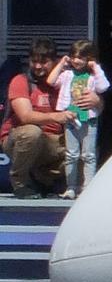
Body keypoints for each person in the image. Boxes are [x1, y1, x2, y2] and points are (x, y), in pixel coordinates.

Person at [3, 38, 70, 199]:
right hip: (20, 138)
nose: (38, 66)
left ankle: (43, 180)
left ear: (54, 61)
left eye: (44, 62)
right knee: (32, 133)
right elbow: (25, 116)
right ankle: (20, 184)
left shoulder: (66, 81)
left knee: (80, 149)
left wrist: (97, 100)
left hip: (52, 141)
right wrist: (56, 116)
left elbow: (89, 102)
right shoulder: (21, 80)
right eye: (34, 61)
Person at [52, 38, 110, 198]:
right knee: (71, 154)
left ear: (90, 58)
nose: (77, 61)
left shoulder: (92, 76)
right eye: (74, 56)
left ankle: (87, 188)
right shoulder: (67, 75)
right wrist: (61, 63)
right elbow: (51, 81)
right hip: (71, 118)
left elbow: (104, 87)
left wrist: (95, 67)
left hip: (89, 119)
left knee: (88, 154)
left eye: (82, 57)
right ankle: (71, 187)